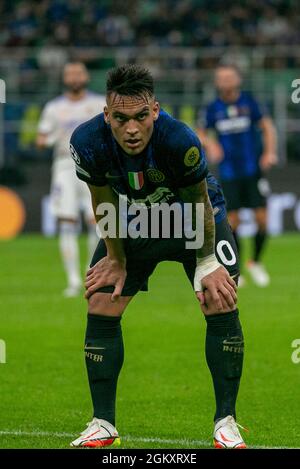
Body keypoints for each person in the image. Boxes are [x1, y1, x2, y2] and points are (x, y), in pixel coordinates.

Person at [69, 64, 246, 449]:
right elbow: (102, 200)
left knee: (219, 298)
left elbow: (198, 202)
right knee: (101, 299)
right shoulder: (87, 141)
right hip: (136, 219)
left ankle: (226, 422)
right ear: (106, 115)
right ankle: (103, 423)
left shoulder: (179, 138)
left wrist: (205, 264)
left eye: (139, 117)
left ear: (154, 110)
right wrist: (115, 259)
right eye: (120, 118)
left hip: (195, 218)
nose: (131, 129)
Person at [198, 63, 278, 287]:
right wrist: (211, 144)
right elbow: (199, 131)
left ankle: (256, 262)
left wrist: (269, 152)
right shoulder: (212, 108)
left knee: (262, 219)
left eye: (229, 77)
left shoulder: (250, 102)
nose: (225, 81)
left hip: (253, 170)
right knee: (232, 221)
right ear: (216, 82)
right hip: (229, 172)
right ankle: (238, 267)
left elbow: (268, 127)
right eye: (221, 77)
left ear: (238, 80)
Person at [36, 62, 106, 297]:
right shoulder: (54, 108)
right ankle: (73, 280)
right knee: (67, 223)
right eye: (70, 74)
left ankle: (91, 273)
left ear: (86, 76)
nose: (75, 77)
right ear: (64, 78)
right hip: (65, 166)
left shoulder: (98, 104)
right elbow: (40, 139)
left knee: (95, 221)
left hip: (93, 165)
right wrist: (52, 138)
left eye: (79, 73)